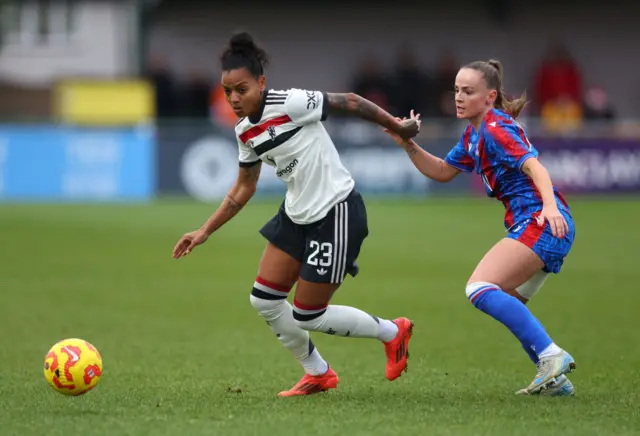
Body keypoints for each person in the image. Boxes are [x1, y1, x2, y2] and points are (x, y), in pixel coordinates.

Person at [172, 32, 420, 397]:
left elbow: (349, 101)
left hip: (336, 211)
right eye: (227, 92)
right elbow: (244, 187)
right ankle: (317, 373)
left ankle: (392, 332)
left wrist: (397, 126)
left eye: (241, 89)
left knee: (309, 314)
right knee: (265, 300)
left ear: (261, 82)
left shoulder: (292, 102)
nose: (234, 99)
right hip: (296, 215)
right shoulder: (244, 132)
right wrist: (205, 230)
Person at [384, 59, 577, 396]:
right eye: (456, 90)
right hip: (539, 223)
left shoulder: (495, 128)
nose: (459, 97)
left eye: (468, 91)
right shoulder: (475, 133)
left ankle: (552, 356)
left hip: (541, 221)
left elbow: (535, 167)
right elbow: (443, 171)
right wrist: (406, 144)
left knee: (479, 288)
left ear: (489, 97)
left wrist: (548, 207)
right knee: (508, 302)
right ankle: (556, 382)